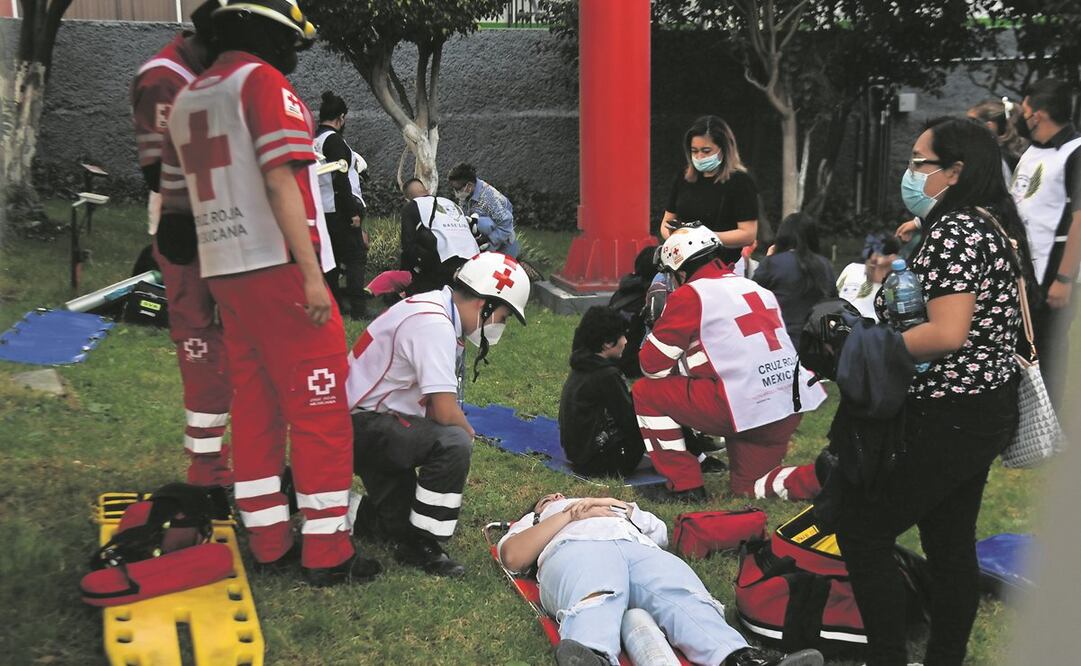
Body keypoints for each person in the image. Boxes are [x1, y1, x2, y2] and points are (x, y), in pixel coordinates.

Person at [157, 0, 380, 586]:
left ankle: (268, 540)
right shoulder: (263, 83)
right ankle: (328, 551)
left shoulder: (191, 97)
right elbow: (281, 180)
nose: (293, 55)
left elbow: (177, 215)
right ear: (264, 31)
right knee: (319, 412)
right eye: (290, 40)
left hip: (228, 275)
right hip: (280, 270)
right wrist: (311, 275)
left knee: (255, 409)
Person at [836, 117, 1030, 665]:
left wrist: (867, 346)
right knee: (948, 544)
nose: (911, 171)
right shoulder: (987, 223)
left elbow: (947, 333)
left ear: (955, 171)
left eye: (921, 162)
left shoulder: (956, 230)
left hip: (951, 413)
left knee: (864, 532)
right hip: (982, 408)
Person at [346, 252, 531, 577]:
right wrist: (467, 435)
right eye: (502, 316)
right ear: (483, 304)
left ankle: (304, 492)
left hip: (371, 424)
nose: (500, 324)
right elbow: (444, 411)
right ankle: (424, 543)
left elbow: (433, 405)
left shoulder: (432, 309)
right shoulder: (435, 323)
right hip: (362, 426)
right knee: (454, 441)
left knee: (395, 526)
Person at [497, 493, 825, 666]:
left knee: (682, 596)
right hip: (576, 551)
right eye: (547, 499)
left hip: (637, 549)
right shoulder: (536, 520)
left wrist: (622, 509)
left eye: (561, 495)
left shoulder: (615, 510)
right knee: (599, 592)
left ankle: (741, 658)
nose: (557, 495)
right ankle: (593, 654)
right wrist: (568, 515)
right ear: (538, 510)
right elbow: (512, 556)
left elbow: (661, 534)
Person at [632, 225, 827, 502]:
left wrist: (659, 324)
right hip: (784, 407)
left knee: (645, 392)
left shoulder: (690, 295)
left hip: (740, 408)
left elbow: (652, 366)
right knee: (750, 487)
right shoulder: (755, 288)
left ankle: (685, 485)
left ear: (681, 271)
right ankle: (822, 477)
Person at [129, 1, 232, 504]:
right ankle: (207, 469)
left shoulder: (208, 71)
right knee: (201, 347)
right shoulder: (163, 78)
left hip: (225, 233)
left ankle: (229, 463)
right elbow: (158, 170)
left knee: (236, 344)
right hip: (185, 235)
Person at [1010, 78, 1081, 410]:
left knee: (1049, 349)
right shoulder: (1031, 151)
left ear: (1036, 115)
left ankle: (1048, 422)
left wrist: (1064, 279)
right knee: (1024, 346)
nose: (1022, 118)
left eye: (1024, 111)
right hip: (1024, 269)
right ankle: (1024, 418)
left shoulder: (1075, 152)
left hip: (1053, 272)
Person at [659, 115, 759, 267]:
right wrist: (678, 240)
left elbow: (748, 234)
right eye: (694, 151)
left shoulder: (740, 182)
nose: (699, 156)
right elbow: (666, 223)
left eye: (706, 151)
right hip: (682, 263)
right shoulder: (683, 178)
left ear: (723, 149)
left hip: (724, 265)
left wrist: (703, 238)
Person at [558, 307, 644, 478]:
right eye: (622, 336)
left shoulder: (582, 363)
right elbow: (629, 421)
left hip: (578, 455)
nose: (626, 341)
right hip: (603, 463)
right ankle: (693, 455)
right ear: (607, 343)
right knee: (654, 403)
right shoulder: (607, 375)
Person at [314, 90, 369, 319]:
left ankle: (335, 306)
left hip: (324, 210)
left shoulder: (315, 140)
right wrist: (353, 211)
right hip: (338, 210)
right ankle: (358, 310)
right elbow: (341, 177)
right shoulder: (334, 140)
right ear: (341, 118)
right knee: (356, 258)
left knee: (332, 261)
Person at [753, 213, 837, 349]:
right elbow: (833, 302)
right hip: (817, 344)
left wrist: (768, 260)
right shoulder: (825, 265)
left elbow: (752, 299)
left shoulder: (772, 264)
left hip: (780, 342)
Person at [399, 192, 480, 295]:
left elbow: (407, 244)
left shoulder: (412, 206)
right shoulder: (450, 202)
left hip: (446, 259)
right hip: (474, 257)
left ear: (407, 199)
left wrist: (404, 274)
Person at [447, 162, 520, 257]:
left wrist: (490, 240)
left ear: (469, 186)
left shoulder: (489, 197)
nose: (455, 192)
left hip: (503, 246)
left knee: (481, 222)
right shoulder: (466, 194)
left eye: (457, 189)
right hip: (482, 242)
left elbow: (506, 225)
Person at [834, 233, 901, 322]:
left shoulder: (895, 285)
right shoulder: (852, 269)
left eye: (879, 254)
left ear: (892, 258)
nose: (873, 258)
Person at [967, 97, 1027, 185]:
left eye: (970, 122)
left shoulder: (992, 162)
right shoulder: (1013, 156)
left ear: (989, 127)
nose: (964, 127)